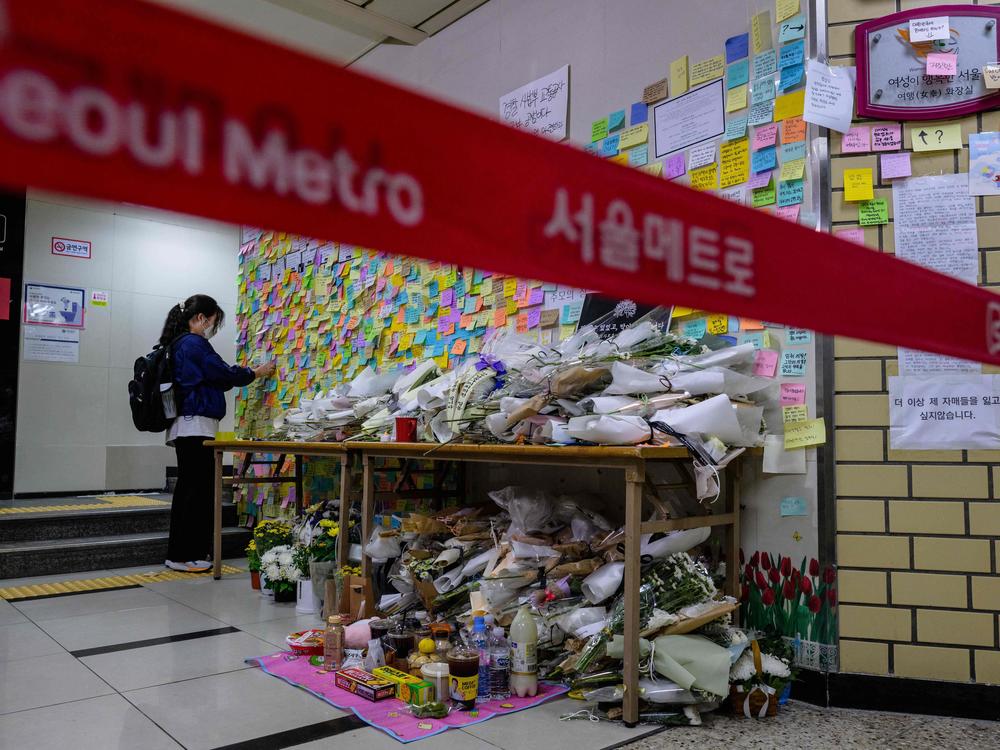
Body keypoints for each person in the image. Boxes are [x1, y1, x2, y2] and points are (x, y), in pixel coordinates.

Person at [158, 294, 275, 572]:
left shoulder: (178, 344)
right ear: (201, 319)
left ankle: (182, 553)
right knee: (196, 492)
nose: (211, 328)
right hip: (195, 425)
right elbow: (222, 374)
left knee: (190, 490)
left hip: (186, 425)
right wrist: (255, 373)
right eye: (212, 322)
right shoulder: (194, 344)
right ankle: (186, 555)